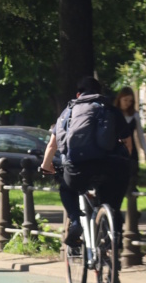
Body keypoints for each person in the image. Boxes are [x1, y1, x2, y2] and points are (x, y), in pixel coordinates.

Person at [41, 76, 132, 247]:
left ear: (78, 94)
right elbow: (128, 143)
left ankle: (75, 221)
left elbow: (52, 145)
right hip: (110, 167)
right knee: (112, 199)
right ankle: (114, 234)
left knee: (66, 189)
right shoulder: (110, 110)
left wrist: (46, 167)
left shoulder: (67, 113)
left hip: (78, 169)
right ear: (100, 93)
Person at [113, 87, 146, 176]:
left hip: (131, 150)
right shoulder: (114, 114)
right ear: (120, 99)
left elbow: (140, 135)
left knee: (132, 173)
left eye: (130, 101)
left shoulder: (134, 115)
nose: (128, 103)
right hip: (116, 149)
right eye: (125, 100)